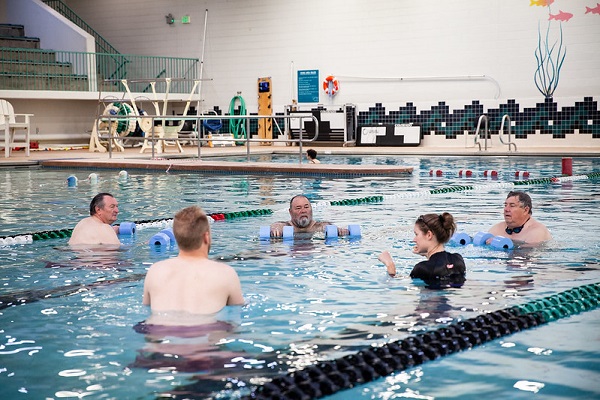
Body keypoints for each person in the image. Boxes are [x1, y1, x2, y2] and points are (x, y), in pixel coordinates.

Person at [143, 206, 245, 316]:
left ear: (176, 239)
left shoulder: (155, 271)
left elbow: (147, 311)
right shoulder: (226, 273)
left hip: (160, 328)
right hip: (205, 329)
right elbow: (236, 315)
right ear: (206, 237)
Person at [378, 213, 466, 288]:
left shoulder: (422, 268)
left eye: (416, 234)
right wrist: (427, 253)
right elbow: (440, 265)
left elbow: (394, 283)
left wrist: (389, 264)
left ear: (428, 235)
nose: (414, 239)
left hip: (431, 307)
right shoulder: (458, 259)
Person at [488, 191, 552, 245]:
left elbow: (527, 256)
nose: (506, 209)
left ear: (525, 210)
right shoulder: (498, 228)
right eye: (505, 205)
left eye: (512, 206)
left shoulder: (536, 231)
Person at [269, 195, 348, 237]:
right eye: (298, 208)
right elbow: (278, 225)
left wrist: (338, 230)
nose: (303, 211)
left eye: (306, 207)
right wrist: (275, 228)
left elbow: (326, 225)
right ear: (290, 212)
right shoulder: (287, 226)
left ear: (311, 209)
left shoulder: (318, 226)